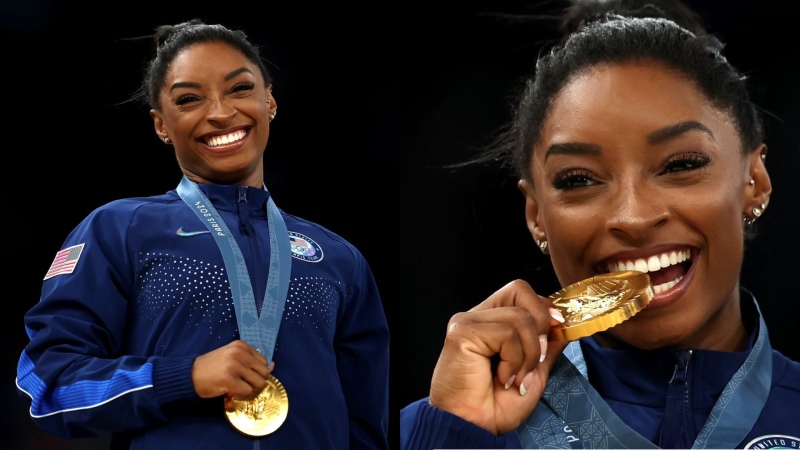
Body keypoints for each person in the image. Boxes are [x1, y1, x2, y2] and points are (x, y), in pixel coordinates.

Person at [400, 0, 800, 448]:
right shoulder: (440, 426)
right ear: (536, 216)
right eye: (578, 180)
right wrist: (457, 432)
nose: (633, 217)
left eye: (680, 165)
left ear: (755, 181)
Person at [15, 19, 389, 450]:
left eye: (240, 89)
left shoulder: (339, 258)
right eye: (190, 99)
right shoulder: (120, 229)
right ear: (161, 125)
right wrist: (183, 376)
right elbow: (50, 385)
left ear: (270, 101)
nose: (221, 112)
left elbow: (365, 430)